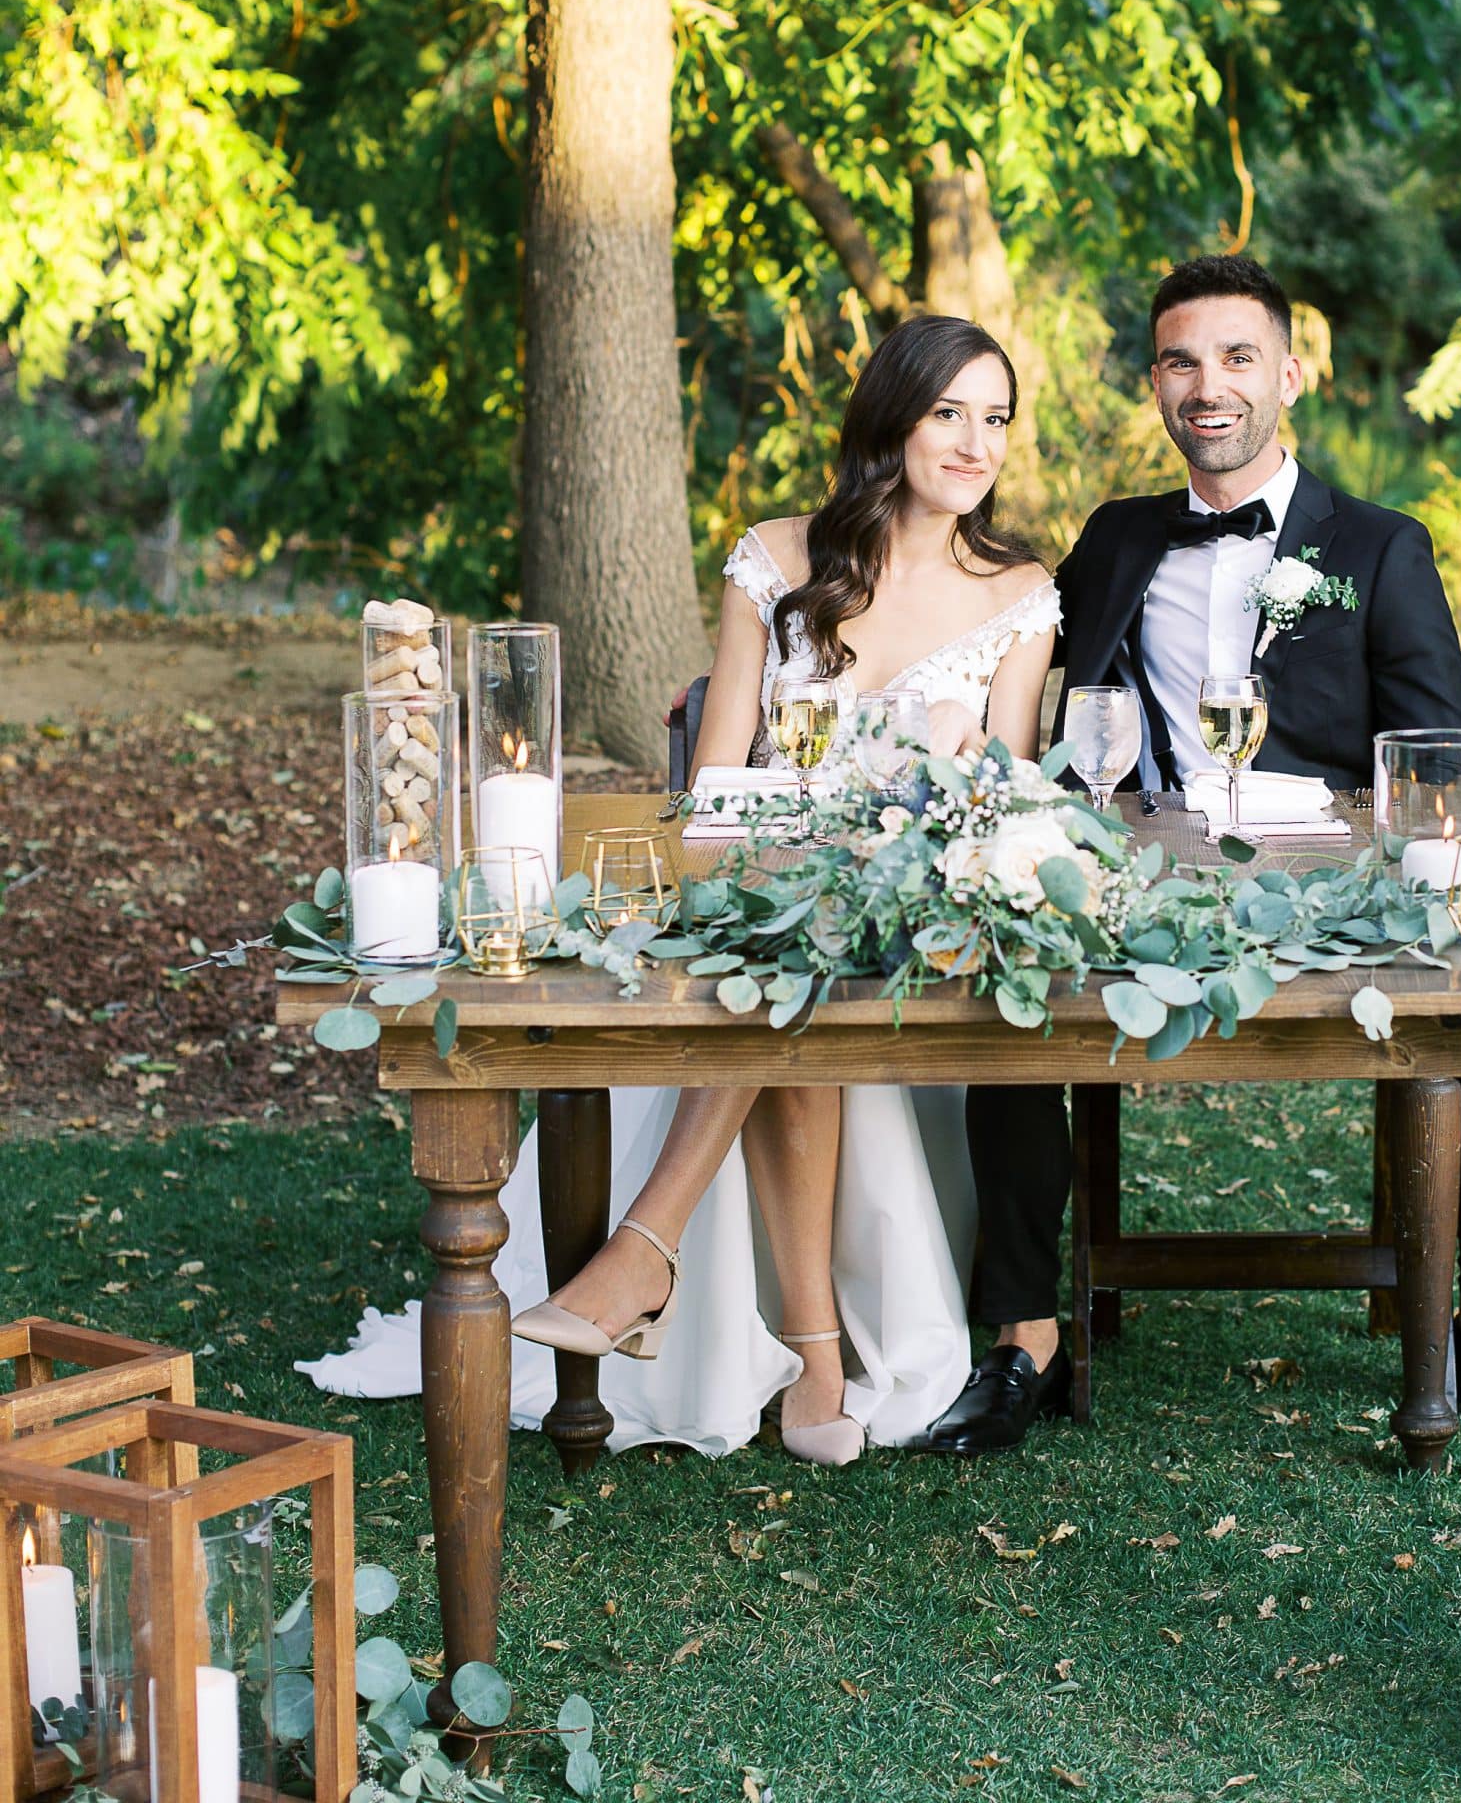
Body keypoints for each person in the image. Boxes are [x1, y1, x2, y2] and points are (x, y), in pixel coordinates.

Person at [301, 314, 1057, 1464]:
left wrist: (937, 774)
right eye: (947, 412)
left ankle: (643, 1256)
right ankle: (806, 1358)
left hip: (915, 924)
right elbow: (711, 791)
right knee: (787, 959)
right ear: (889, 419)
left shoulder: (1018, 594)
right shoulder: (775, 558)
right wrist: (789, 857)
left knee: (803, 957)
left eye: (994, 418)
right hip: (765, 894)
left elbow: (1002, 808)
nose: (973, 444)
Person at [925, 253, 1461, 1457]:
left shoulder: (1380, 546)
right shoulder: (1113, 538)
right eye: (1180, 361)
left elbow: (1436, 762)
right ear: (1156, 382)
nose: (1208, 385)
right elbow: (1006, 652)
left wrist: (1367, 844)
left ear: (1288, 376)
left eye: (1236, 357)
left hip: (1330, 898)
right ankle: (1025, 1333)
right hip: (1131, 887)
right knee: (1012, 974)